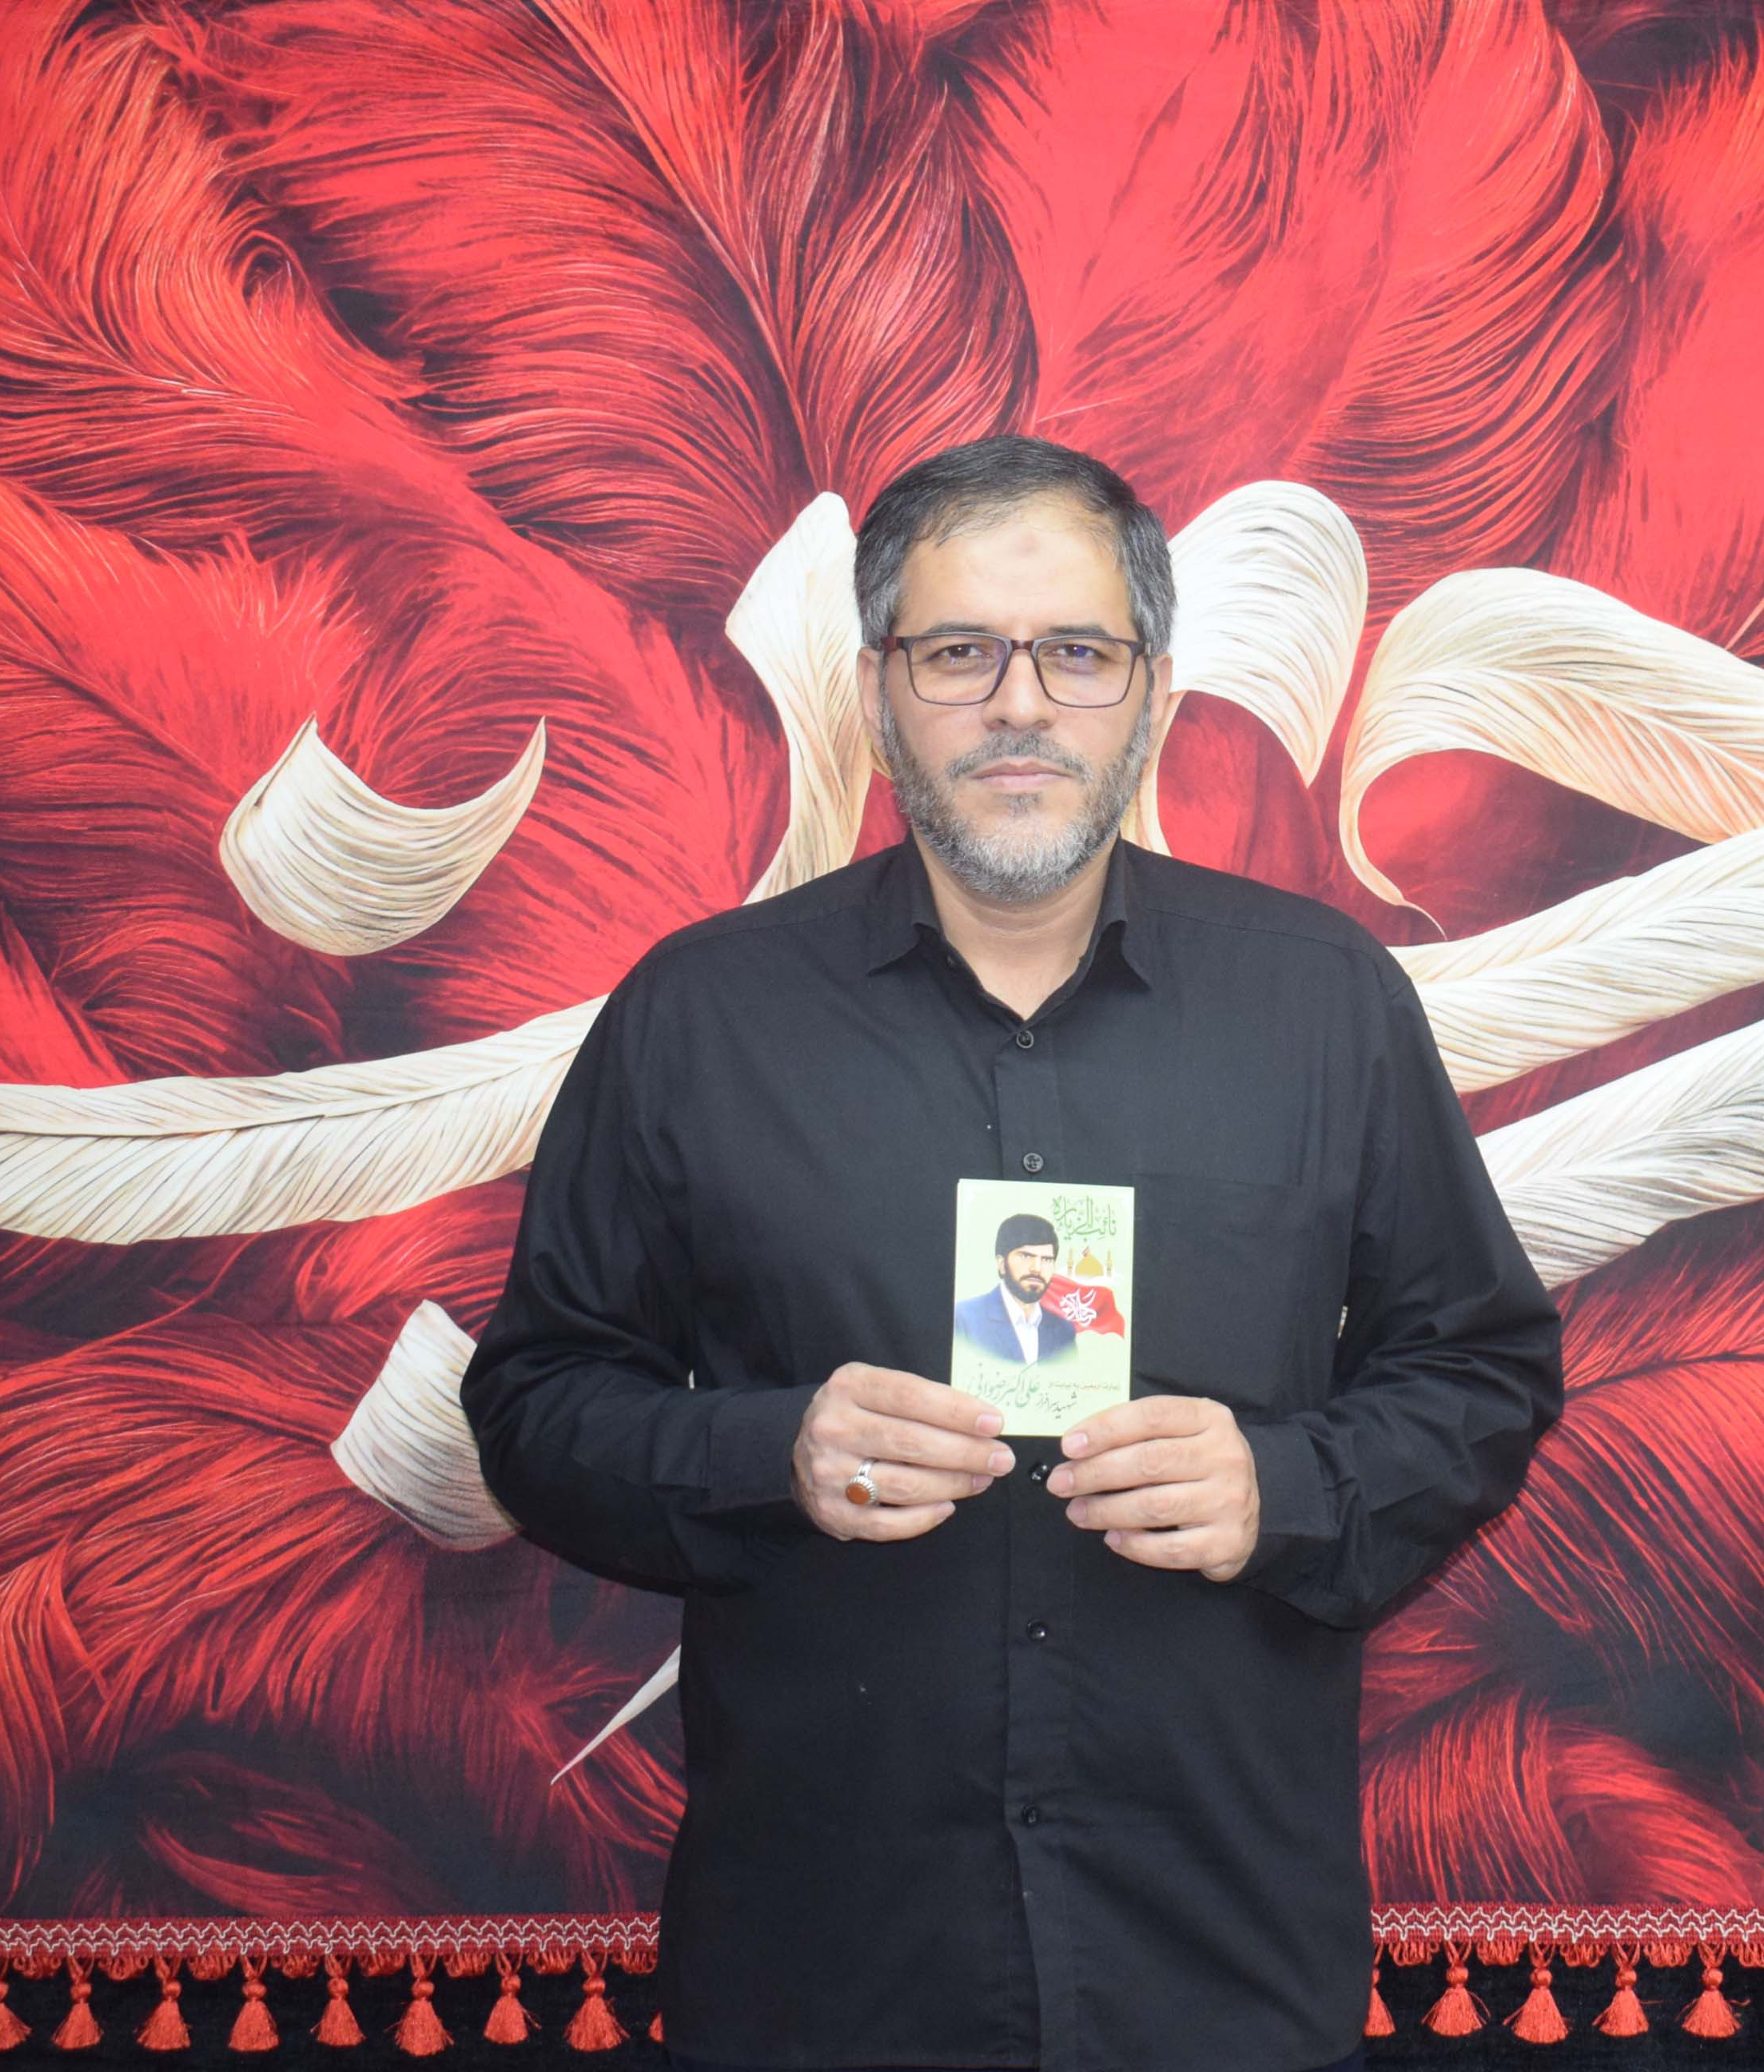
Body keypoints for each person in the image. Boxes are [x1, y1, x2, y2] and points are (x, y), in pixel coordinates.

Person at [458, 433, 1562, 2072]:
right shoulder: (698, 1016)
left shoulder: (1325, 1005)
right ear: (878, 690)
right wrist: (770, 1452)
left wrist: (1288, 1485)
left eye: (1078, 653)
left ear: (1153, 692)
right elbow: (535, 1404)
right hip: (824, 1977)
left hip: (1217, 1968)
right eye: (960, 652)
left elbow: (1480, 1368)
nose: (1020, 705)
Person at [957, 1213, 1079, 1365]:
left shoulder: (1064, 1332)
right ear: (1001, 1264)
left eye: (1047, 1259)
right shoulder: (965, 1320)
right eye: (1025, 1256)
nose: (1037, 1268)